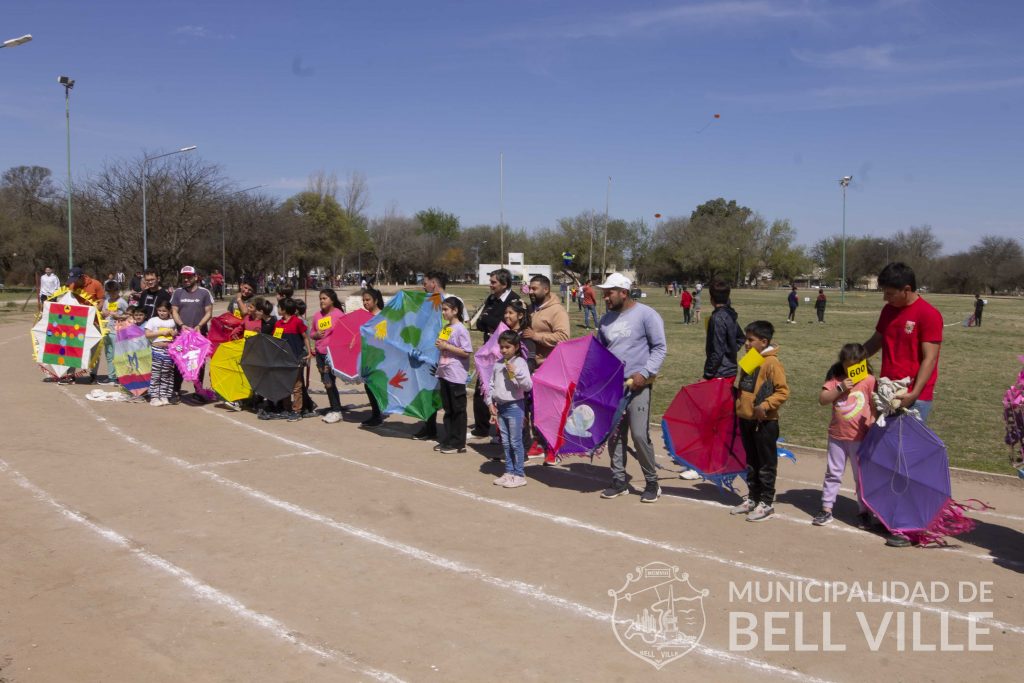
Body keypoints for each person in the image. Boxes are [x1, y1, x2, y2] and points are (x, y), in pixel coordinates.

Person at [862, 262, 942, 548]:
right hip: (887, 393)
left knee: (905, 462)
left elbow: (929, 358)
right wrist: (853, 359)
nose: (885, 298)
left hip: (913, 398)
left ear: (907, 290)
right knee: (884, 457)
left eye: (890, 293)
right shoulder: (889, 311)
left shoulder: (928, 315)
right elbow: (877, 340)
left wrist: (914, 392)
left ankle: (907, 527)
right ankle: (888, 514)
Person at [595, 273, 667, 504]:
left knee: (638, 434)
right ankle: (618, 480)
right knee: (615, 435)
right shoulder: (605, 320)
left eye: (609, 293)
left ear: (623, 293)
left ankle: (652, 482)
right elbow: (602, 353)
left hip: (639, 385)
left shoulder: (646, 315)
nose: (605, 297)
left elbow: (659, 348)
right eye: (604, 293)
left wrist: (644, 373)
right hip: (614, 386)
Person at [731, 321, 789, 522]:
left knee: (766, 463)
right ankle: (753, 498)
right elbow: (744, 387)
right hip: (746, 419)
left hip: (764, 422)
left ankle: (766, 502)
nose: (746, 343)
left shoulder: (772, 363)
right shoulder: (750, 358)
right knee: (751, 462)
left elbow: (782, 391)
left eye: (750, 340)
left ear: (764, 342)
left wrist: (764, 406)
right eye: (746, 339)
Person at [813, 343, 877, 528]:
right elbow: (822, 400)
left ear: (863, 363)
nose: (851, 369)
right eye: (848, 365)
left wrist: (874, 421)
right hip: (837, 436)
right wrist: (840, 388)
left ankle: (864, 511)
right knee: (833, 472)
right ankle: (826, 508)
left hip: (860, 437)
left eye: (855, 365)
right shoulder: (836, 379)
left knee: (861, 476)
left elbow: (874, 406)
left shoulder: (869, 380)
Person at [472, 269, 520, 437]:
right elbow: (479, 323)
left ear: (504, 284)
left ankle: (502, 433)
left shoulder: (513, 299)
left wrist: (489, 321)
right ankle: (481, 428)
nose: (490, 285)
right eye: (490, 281)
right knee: (482, 389)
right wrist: (489, 322)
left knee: (502, 391)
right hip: (488, 351)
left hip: (504, 353)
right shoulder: (491, 298)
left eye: (494, 282)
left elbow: (505, 325)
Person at [487, 330, 534, 488]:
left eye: (507, 347)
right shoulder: (498, 363)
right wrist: (490, 403)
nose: (504, 350)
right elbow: (491, 385)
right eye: (501, 347)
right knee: (506, 442)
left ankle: (519, 474)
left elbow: (527, 385)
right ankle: (509, 471)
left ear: (516, 347)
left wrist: (517, 372)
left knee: (515, 442)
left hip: (515, 406)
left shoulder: (520, 363)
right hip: (501, 406)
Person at [412, 271, 452, 441]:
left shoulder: (450, 302)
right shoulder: (426, 303)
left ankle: (452, 433)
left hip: (444, 355)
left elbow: (454, 328)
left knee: (447, 395)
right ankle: (429, 427)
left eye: (425, 282)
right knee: (426, 391)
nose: (423, 286)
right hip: (425, 355)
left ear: (433, 284)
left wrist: (442, 347)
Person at [434, 297, 473, 453]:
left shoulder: (461, 329)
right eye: (442, 309)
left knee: (458, 409)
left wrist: (446, 346)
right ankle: (449, 438)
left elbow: (466, 352)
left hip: (456, 374)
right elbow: (443, 346)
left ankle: (458, 442)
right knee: (448, 408)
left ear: (455, 311)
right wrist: (441, 345)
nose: (443, 312)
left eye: (446, 310)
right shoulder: (447, 328)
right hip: (445, 372)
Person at [170, 266, 214, 399]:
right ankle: (176, 390)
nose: (186, 279)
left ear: (196, 277)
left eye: (189, 276)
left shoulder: (204, 293)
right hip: (182, 335)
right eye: (184, 277)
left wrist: (199, 325)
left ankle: (198, 391)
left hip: (199, 335)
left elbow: (209, 312)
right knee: (179, 362)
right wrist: (182, 325)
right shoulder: (178, 292)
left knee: (198, 363)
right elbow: (174, 311)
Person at [273, 298, 315, 422]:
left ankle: (297, 410)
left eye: (279, 307)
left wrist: (309, 352)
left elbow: (305, 337)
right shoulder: (278, 324)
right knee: (285, 384)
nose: (278, 310)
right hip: (283, 359)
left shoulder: (297, 322)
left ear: (284, 309)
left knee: (297, 386)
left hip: (296, 358)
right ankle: (286, 409)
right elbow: (276, 342)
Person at [310, 289, 348, 423]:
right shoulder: (316, 316)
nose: (321, 301)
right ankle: (335, 408)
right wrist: (315, 335)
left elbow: (345, 333)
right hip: (319, 353)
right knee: (327, 382)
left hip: (332, 354)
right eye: (320, 298)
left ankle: (337, 411)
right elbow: (312, 333)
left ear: (332, 300)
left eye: (324, 298)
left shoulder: (338, 315)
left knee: (328, 382)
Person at [703, 280, 744, 380]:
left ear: (711, 299)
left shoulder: (717, 318)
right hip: (730, 371)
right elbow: (741, 338)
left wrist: (707, 375)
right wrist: (730, 349)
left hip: (720, 373)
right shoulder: (730, 314)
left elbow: (717, 350)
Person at [360, 288, 386, 428]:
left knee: (375, 385)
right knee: (368, 385)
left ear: (376, 301)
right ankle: (376, 413)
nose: (365, 303)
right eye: (363, 300)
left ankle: (378, 414)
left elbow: (383, 337)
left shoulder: (382, 316)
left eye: (368, 300)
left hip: (379, 356)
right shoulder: (364, 317)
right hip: (368, 356)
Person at [143, 301, 178, 406]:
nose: (162, 313)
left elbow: (176, 333)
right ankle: (154, 396)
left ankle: (164, 395)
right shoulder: (153, 320)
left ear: (169, 311)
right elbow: (147, 334)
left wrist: (174, 333)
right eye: (159, 310)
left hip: (169, 351)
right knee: (156, 374)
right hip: (157, 350)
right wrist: (161, 332)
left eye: (164, 311)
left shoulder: (173, 321)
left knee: (167, 374)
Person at [97, 279, 129, 384]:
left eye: (114, 292)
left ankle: (120, 377)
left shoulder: (122, 302)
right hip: (107, 331)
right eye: (109, 292)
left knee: (118, 355)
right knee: (109, 354)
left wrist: (118, 316)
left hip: (118, 332)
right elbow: (102, 313)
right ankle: (111, 377)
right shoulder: (106, 301)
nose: (112, 294)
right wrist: (103, 314)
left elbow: (130, 315)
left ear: (118, 291)